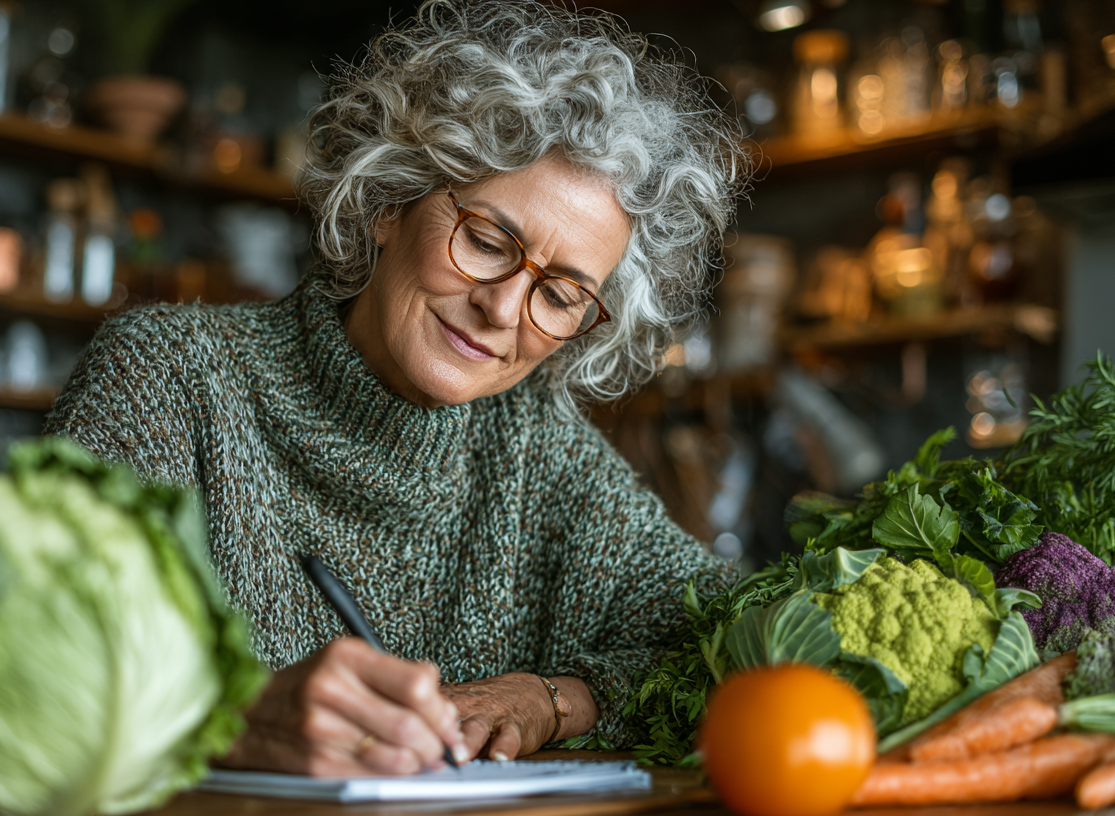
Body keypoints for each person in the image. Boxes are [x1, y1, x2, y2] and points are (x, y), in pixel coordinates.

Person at [46, 0, 747, 778]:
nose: (503, 309)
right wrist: (234, 725)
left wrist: (554, 701)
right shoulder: (168, 378)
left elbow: (731, 641)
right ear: (389, 201)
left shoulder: (544, 452)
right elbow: (33, 671)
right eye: (487, 241)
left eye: (559, 295)